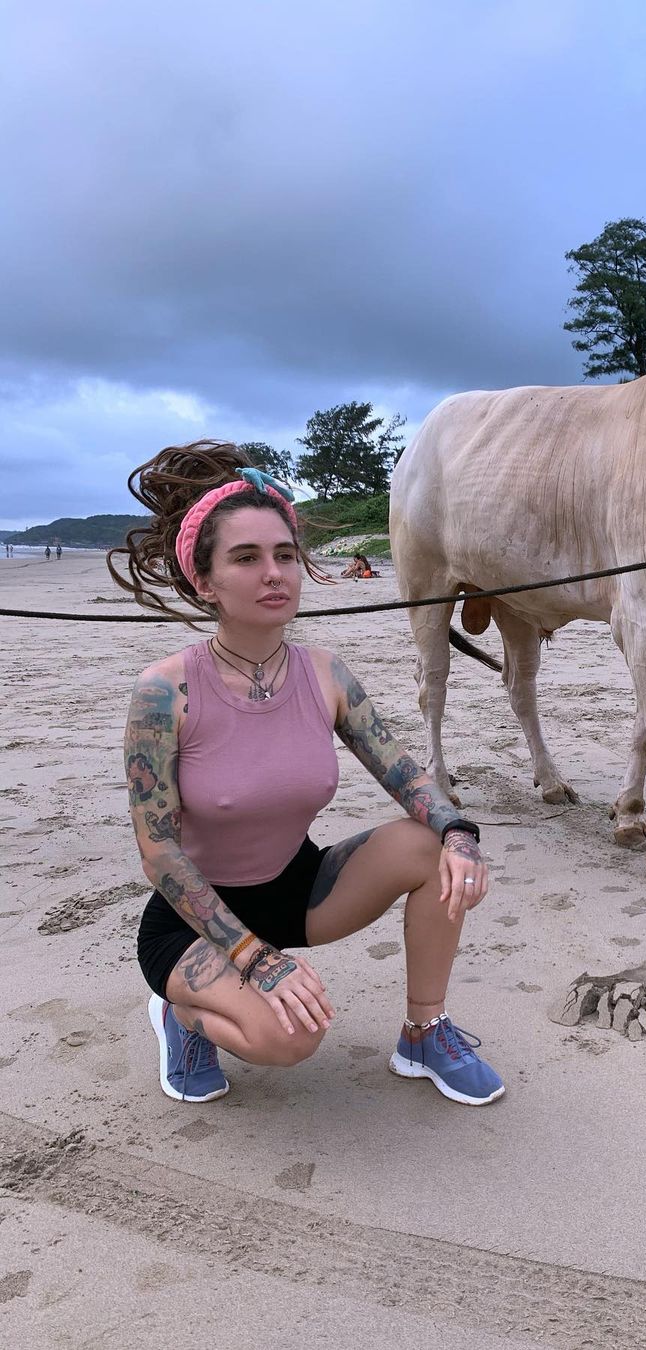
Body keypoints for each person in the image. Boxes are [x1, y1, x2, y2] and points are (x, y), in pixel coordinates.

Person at [107, 441, 503, 1107]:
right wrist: (255, 958)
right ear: (205, 581)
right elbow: (159, 853)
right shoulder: (164, 691)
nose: (274, 574)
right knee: (289, 1039)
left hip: (297, 892)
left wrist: (460, 835)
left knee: (431, 843)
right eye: (246, 558)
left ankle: (424, 1033)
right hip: (193, 919)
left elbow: (406, 775)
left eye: (285, 555)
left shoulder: (325, 673)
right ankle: (181, 1017)